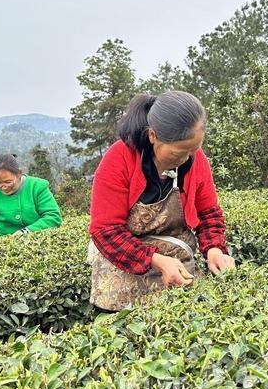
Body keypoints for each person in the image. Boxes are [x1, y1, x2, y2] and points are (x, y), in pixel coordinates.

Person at [88, 90, 235, 311]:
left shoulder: (195, 160)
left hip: (178, 265)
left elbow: (208, 213)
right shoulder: (119, 159)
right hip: (123, 270)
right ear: (153, 136)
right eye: (178, 153)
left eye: (192, 151)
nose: (186, 159)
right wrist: (156, 260)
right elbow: (105, 231)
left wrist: (214, 249)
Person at [0, 153, 62, 237]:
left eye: (8, 182)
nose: (4, 187)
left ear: (19, 174)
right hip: (0, 244)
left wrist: (26, 231)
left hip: (36, 239)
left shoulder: (36, 187)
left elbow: (53, 217)